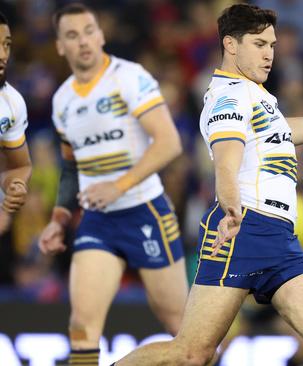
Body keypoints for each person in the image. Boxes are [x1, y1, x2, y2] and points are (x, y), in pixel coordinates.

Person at [114, 4, 303, 365]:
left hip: (279, 239)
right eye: (259, 44)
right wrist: (230, 209)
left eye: (272, 45)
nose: (269, 53)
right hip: (243, 228)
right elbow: (226, 161)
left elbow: (282, 132)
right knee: (191, 354)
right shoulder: (229, 96)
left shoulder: (255, 95)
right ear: (230, 44)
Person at [37, 4, 187, 365]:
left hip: (146, 211)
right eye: (72, 35)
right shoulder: (62, 100)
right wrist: (59, 219)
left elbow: (169, 142)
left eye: (89, 30)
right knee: (81, 327)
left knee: (187, 336)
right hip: (98, 220)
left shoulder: (129, 77)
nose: (83, 41)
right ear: (60, 46)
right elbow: (71, 168)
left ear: (101, 34)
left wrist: (118, 186)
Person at [0, 12, 32, 233]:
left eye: (7, 45)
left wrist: (16, 185)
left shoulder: (12, 103)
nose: (3, 55)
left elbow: (19, 165)